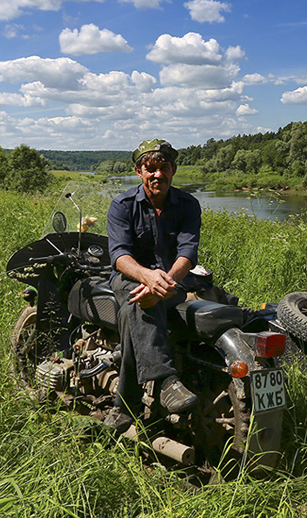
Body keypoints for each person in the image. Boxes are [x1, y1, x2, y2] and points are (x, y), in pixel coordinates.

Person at [103, 138, 201, 433]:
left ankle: (130, 403)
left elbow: (188, 253)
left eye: (164, 167)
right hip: (130, 278)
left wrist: (165, 281)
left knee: (135, 307)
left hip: (176, 278)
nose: (158, 174)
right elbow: (119, 254)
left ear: (174, 170)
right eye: (151, 168)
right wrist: (148, 277)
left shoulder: (188, 204)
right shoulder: (122, 205)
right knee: (138, 298)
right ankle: (165, 382)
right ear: (139, 171)